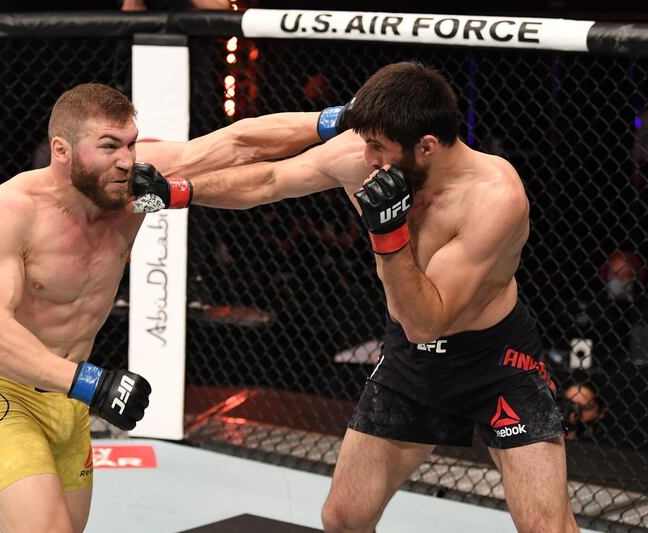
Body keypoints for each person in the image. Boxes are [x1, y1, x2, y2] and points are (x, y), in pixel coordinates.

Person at [135, 61, 577, 532]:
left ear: (426, 145)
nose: (364, 158)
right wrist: (181, 192)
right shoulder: (369, 152)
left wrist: (388, 234)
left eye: (378, 148)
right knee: (344, 518)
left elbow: (427, 321)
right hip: (414, 362)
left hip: (495, 363)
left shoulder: (495, 198)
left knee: (545, 528)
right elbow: (271, 180)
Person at [0, 81, 335, 533]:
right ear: (62, 149)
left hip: (69, 399)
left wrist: (335, 119)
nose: (126, 159)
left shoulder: (128, 186)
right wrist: (92, 384)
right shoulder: (8, 211)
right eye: (109, 146)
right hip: (4, 393)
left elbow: (236, 142)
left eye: (132, 144)